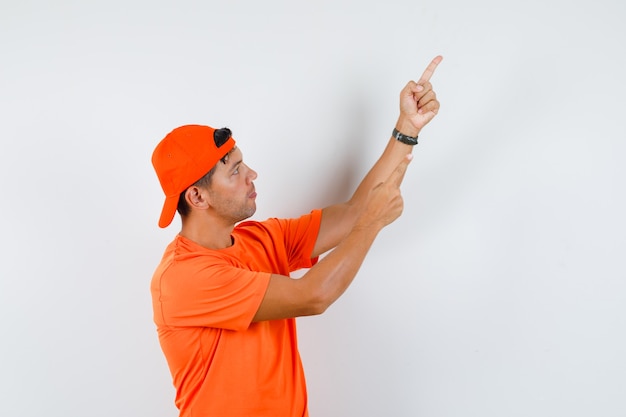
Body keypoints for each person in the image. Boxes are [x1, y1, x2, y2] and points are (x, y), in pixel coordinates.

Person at [150, 55, 442, 417]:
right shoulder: (183, 278)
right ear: (197, 196)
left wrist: (407, 129)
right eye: (236, 171)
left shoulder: (261, 240)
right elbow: (314, 295)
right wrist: (372, 224)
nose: (252, 175)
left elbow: (353, 214)